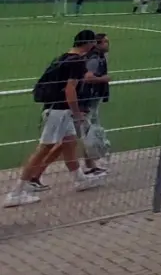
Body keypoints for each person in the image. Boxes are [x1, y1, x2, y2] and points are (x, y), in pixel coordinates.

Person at [4, 30, 105, 208]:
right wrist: (76, 113)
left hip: (56, 109)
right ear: (88, 44)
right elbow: (70, 89)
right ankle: (16, 192)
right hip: (59, 111)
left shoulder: (62, 58)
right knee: (44, 148)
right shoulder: (78, 61)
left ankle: (79, 178)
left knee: (70, 143)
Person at [76, 32, 111, 177]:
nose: (108, 44)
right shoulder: (95, 58)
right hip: (87, 101)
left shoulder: (98, 57)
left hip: (92, 100)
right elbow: (88, 77)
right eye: (105, 42)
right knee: (85, 133)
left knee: (88, 132)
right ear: (97, 44)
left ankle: (91, 165)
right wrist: (104, 79)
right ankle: (89, 166)